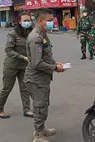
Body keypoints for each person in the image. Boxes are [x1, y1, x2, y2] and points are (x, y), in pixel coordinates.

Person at [24, 8, 66, 142]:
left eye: (52, 20)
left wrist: (55, 62)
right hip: (36, 80)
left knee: (43, 105)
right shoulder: (36, 38)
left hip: (41, 78)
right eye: (49, 20)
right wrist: (55, 68)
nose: (52, 22)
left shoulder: (42, 34)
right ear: (40, 21)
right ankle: (38, 135)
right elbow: (37, 63)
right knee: (40, 107)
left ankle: (41, 129)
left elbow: (45, 55)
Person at [0, 12, 33, 119]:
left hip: (24, 66)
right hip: (11, 66)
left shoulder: (31, 32)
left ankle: (26, 109)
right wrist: (22, 57)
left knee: (24, 88)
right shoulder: (13, 34)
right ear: (19, 22)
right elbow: (8, 50)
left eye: (28, 20)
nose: (27, 22)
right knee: (7, 88)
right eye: (24, 20)